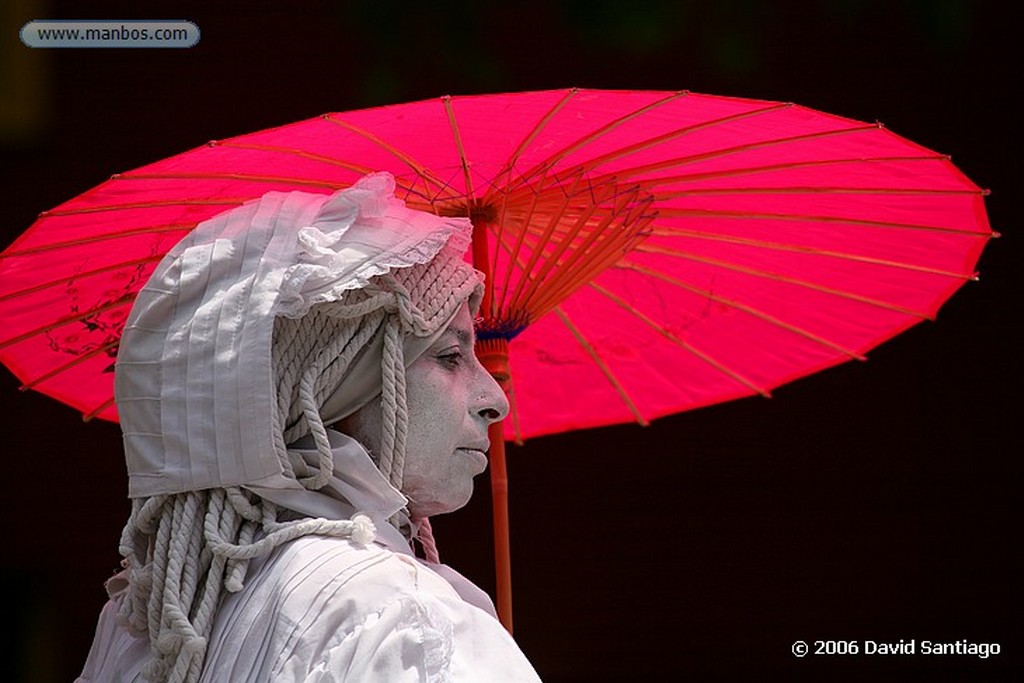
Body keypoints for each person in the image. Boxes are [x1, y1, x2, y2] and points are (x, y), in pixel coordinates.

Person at [76, 173, 543, 682]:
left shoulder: (142, 620)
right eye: (450, 355)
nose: (495, 401)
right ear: (336, 385)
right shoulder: (403, 617)